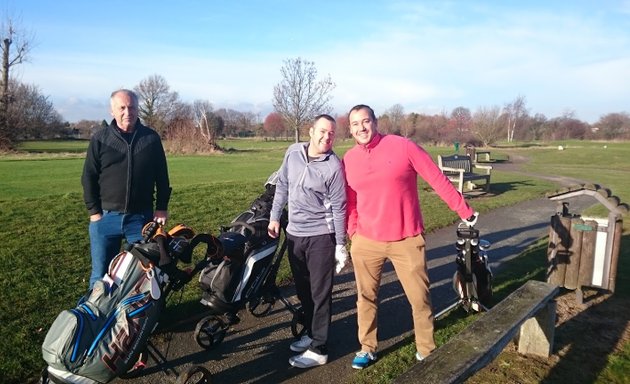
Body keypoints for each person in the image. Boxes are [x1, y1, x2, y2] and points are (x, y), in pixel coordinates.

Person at [342, 104, 478, 369]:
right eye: (355, 124)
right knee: (365, 297)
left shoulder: (403, 146)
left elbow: (436, 178)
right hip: (366, 241)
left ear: (375, 122)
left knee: (419, 297)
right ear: (351, 129)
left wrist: (464, 210)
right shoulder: (349, 159)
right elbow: (350, 200)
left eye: (365, 121)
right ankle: (367, 347)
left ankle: (426, 349)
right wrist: (353, 231)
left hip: (406, 238)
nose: (361, 127)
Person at [268, 114, 348, 369]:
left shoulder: (333, 166)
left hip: (320, 237)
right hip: (294, 233)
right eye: (323, 131)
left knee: (320, 293)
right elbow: (282, 185)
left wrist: (339, 244)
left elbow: (339, 207)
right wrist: (274, 218)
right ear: (311, 131)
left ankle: (319, 348)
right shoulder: (293, 153)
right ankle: (312, 333)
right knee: (303, 291)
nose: (327, 137)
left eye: (332, 134)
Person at [81, 89, 171, 289]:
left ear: (138, 110)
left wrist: (162, 207)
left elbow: (162, 177)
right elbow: (88, 177)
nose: (127, 112)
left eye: (131, 107)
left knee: (144, 273)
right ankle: (97, 317)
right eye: (122, 107)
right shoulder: (100, 139)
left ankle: (138, 317)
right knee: (101, 275)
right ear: (112, 111)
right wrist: (94, 212)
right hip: (105, 218)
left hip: (140, 219)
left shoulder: (151, 139)